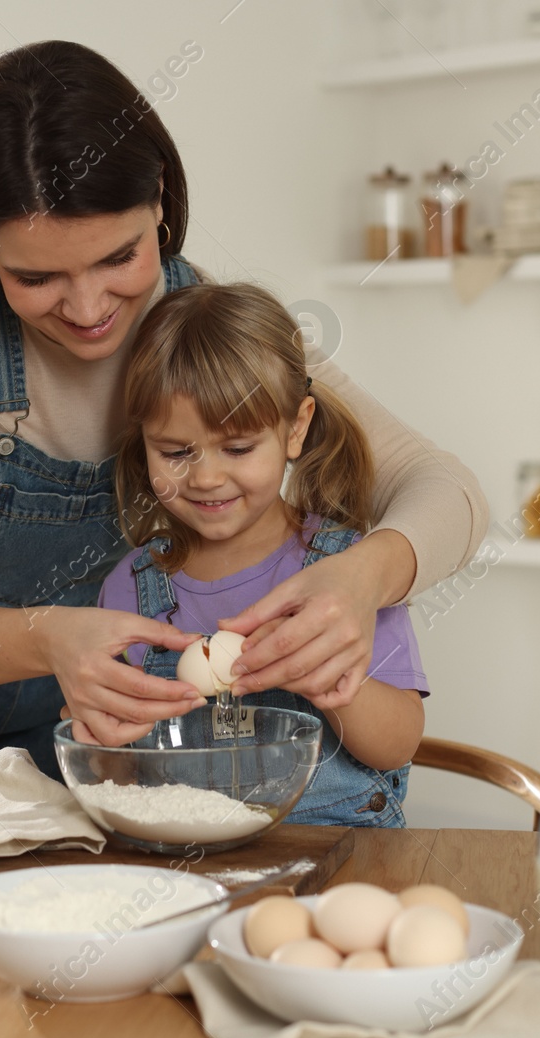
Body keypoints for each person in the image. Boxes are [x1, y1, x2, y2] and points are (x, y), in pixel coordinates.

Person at [0, 40, 486, 815]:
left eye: (120, 256)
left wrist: (362, 578)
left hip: (68, 707)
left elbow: (446, 488)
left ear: (158, 198)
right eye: (36, 276)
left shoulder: (201, 332)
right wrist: (51, 639)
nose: (87, 309)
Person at [87, 282, 426, 826]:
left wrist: (332, 682)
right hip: (188, 871)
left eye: (238, 448)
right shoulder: (130, 587)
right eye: (175, 452)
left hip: (340, 855)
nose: (205, 477)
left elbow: (398, 745)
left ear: (295, 428)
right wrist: (99, 736)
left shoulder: (342, 574)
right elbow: (123, 777)